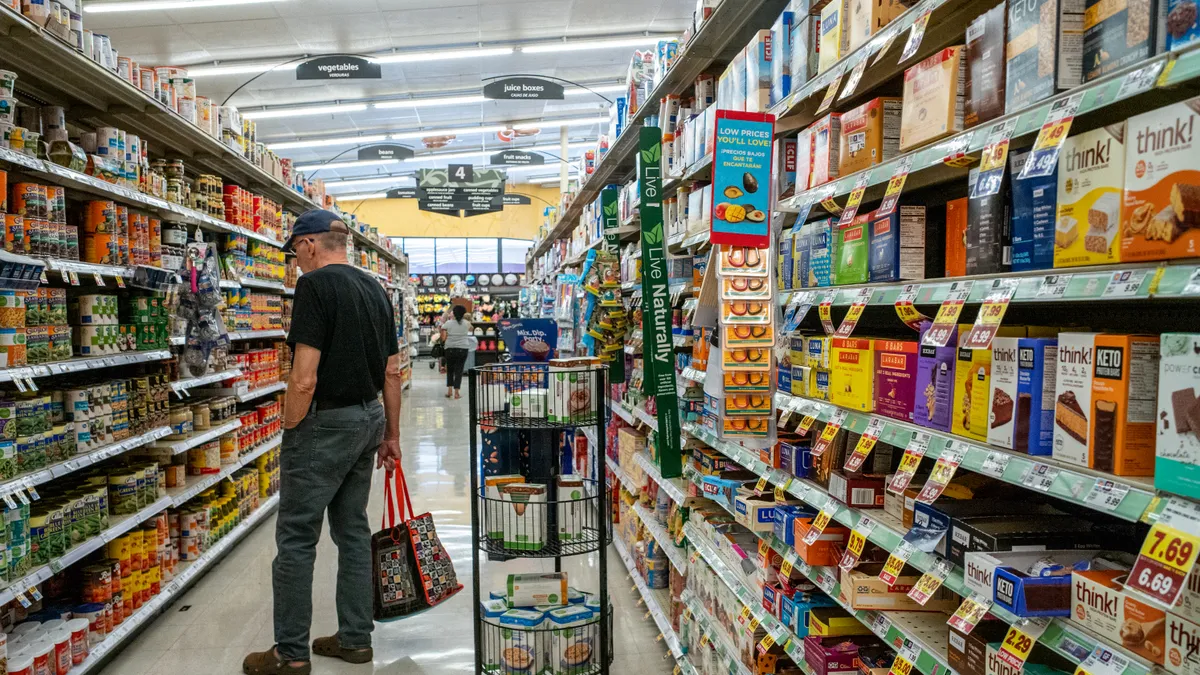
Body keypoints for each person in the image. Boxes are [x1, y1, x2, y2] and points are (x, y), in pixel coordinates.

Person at [244, 210, 404, 675]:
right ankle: (356, 639)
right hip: (369, 418)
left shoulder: (314, 287)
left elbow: (303, 378)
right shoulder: (375, 287)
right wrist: (391, 433)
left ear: (310, 244)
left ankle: (289, 654)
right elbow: (392, 371)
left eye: (294, 251)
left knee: (296, 537)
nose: (294, 263)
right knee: (353, 530)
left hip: (326, 423)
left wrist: (292, 430)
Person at [440, 303, 473, 399]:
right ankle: (457, 393)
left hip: (450, 349)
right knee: (459, 370)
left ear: (453, 313)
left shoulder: (448, 323)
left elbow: (443, 338)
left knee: (450, 370)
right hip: (463, 349)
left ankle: (449, 391)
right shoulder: (467, 323)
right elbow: (471, 328)